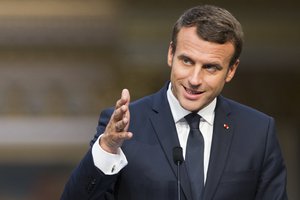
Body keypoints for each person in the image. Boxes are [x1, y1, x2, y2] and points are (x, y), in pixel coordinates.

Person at [61, 5, 287, 200]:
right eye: (187, 61)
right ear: (171, 54)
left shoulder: (257, 131)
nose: (194, 79)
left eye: (210, 67)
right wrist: (107, 148)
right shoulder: (126, 126)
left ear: (231, 70)